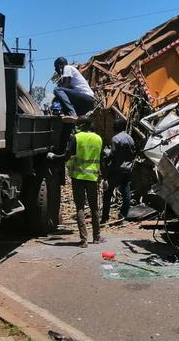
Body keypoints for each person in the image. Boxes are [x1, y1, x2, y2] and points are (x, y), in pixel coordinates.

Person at [48, 115, 105, 247]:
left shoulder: (76, 138)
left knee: (79, 207)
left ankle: (84, 240)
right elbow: (102, 161)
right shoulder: (98, 139)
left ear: (81, 125)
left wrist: (53, 157)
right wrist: (104, 178)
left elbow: (66, 156)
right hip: (92, 178)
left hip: (78, 178)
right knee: (94, 208)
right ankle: (96, 237)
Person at [100, 117, 135, 223]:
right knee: (126, 194)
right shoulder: (130, 138)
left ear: (117, 127)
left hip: (116, 170)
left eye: (114, 126)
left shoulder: (115, 139)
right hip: (127, 170)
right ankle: (123, 215)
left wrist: (106, 154)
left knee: (107, 194)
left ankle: (105, 218)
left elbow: (113, 155)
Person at [53, 57, 95, 122]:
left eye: (56, 67)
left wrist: (56, 99)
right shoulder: (71, 71)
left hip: (85, 97)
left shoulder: (67, 67)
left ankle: (72, 113)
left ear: (60, 65)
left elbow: (65, 86)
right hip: (87, 102)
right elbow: (67, 91)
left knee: (57, 90)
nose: (56, 69)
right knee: (71, 121)